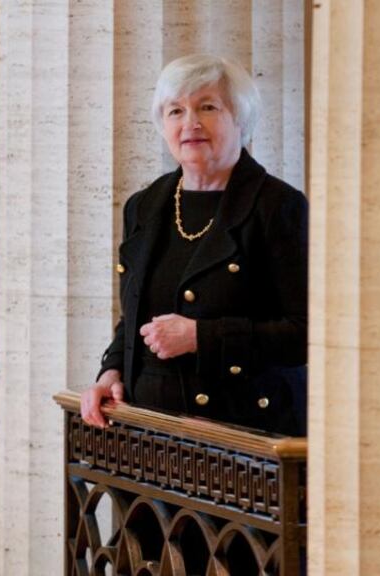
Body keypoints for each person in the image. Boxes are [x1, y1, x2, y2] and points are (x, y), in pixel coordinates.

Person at [80, 53, 308, 436]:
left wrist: (201, 338)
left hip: (247, 436)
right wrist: (112, 370)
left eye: (208, 107)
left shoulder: (278, 207)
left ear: (240, 119)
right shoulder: (145, 206)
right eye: (175, 111)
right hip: (151, 433)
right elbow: (134, 315)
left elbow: (307, 333)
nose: (190, 124)